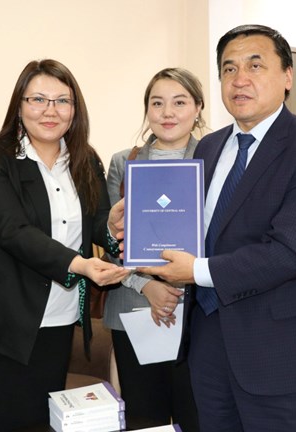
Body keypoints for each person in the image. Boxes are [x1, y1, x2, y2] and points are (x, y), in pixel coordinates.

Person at [138, 24, 296, 431]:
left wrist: (196, 271)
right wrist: (137, 222)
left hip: (279, 349)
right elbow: (196, 228)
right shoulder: (210, 146)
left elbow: (290, 252)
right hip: (208, 339)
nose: (240, 79)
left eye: (256, 65)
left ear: (287, 77)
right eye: (229, 69)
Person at [0, 59, 130, 431]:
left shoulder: (85, 159)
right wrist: (80, 265)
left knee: (39, 419)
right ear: (19, 105)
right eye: (38, 99)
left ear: (75, 109)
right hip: (3, 320)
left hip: (60, 316)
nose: (50, 111)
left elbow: (97, 220)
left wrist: (112, 226)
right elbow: (10, 230)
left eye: (62, 101)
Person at [103, 68, 204, 431]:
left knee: (198, 415)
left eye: (179, 102)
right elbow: (110, 235)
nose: (167, 112)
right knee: (146, 420)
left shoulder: (214, 159)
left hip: (197, 313)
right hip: (135, 312)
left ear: (197, 107)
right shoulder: (123, 161)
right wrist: (146, 284)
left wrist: (181, 284)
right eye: (157, 103)